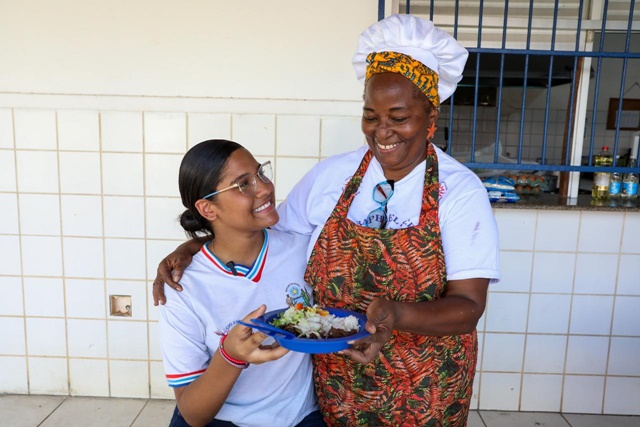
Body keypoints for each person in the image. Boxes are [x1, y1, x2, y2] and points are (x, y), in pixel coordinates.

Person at [154, 15, 500, 426]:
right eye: (371, 115)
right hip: (337, 385)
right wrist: (196, 245)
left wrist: (397, 315)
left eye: (399, 116)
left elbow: (469, 307)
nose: (382, 130)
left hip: (426, 383)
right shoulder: (330, 177)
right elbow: (264, 234)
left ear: (431, 119)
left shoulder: (459, 191)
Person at [158, 139, 324, 427]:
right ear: (208, 209)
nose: (265, 187)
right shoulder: (183, 288)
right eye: (243, 184)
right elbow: (193, 414)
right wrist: (231, 355)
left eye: (261, 173)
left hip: (299, 417)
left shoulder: (302, 247)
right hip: (222, 420)